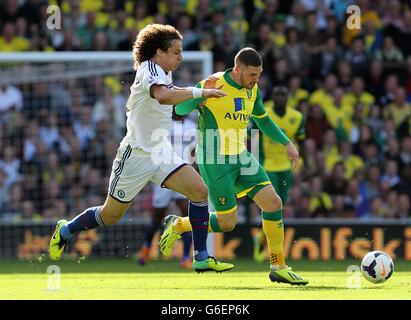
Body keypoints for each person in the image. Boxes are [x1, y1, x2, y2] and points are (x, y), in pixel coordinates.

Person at [48, 24, 233, 273]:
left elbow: (172, 99)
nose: (181, 57)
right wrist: (200, 91)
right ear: (159, 52)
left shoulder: (164, 73)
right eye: (176, 52)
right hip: (135, 155)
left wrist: (200, 94)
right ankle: (66, 229)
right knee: (110, 215)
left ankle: (200, 257)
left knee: (200, 192)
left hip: (160, 150)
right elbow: (163, 96)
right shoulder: (149, 69)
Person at [160, 47, 308, 285]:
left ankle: (278, 266)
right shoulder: (215, 83)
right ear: (237, 70)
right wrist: (200, 93)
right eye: (252, 75)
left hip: (242, 157)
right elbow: (179, 109)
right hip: (216, 162)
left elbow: (263, 119)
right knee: (228, 223)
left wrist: (286, 142)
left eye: (259, 75)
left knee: (273, 203)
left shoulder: (253, 89)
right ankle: (178, 224)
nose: (256, 80)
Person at [252, 85, 305, 262]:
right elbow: (254, 138)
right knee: (272, 204)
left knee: (279, 207)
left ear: (288, 97)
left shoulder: (296, 117)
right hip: (268, 166)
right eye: (277, 94)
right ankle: (266, 246)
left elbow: (301, 142)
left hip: (286, 167)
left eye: (283, 94)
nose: (280, 97)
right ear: (272, 97)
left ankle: (263, 239)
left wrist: (301, 163)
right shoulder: (264, 113)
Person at [138, 113, 196, 268]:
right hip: (163, 175)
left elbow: (195, 151)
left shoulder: (192, 127)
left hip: (183, 175)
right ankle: (146, 248)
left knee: (187, 215)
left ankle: (185, 257)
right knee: (157, 217)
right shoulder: (163, 124)